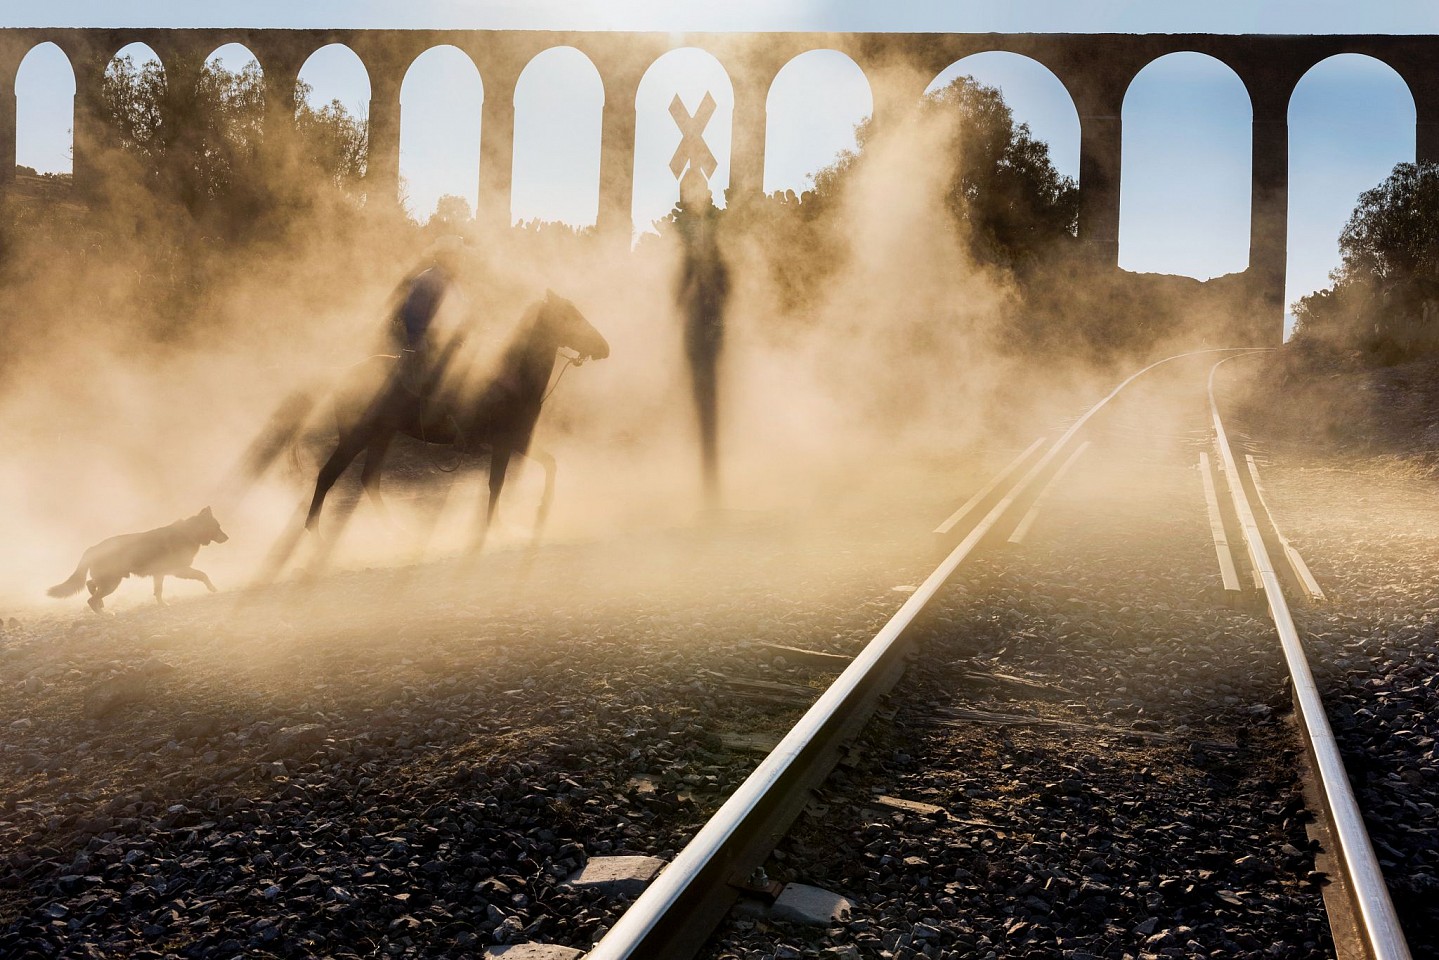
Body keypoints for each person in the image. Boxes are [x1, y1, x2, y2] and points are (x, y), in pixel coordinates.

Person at [674, 168, 730, 508]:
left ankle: (711, 485)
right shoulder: (691, 235)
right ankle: (708, 484)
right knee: (702, 405)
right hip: (698, 329)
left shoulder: (711, 233)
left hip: (706, 329)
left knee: (708, 404)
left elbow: (719, 280)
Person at [389, 234, 467, 398]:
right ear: (444, 257)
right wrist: (421, 346)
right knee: (426, 396)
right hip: (430, 349)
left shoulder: (453, 283)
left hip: (447, 347)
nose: (460, 260)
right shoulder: (427, 280)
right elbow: (414, 316)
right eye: (457, 256)